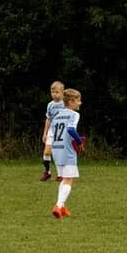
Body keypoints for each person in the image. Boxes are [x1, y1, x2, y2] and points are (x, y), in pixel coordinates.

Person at [49, 88, 85, 219]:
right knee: (69, 179)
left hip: (56, 149)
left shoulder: (57, 115)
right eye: (78, 100)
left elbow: (53, 133)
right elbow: (70, 130)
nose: (80, 103)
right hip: (67, 150)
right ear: (71, 101)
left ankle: (62, 207)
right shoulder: (74, 114)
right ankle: (58, 206)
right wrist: (79, 141)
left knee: (64, 178)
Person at [40, 81, 65, 182]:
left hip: (62, 131)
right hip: (52, 131)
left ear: (62, 92)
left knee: (58, 153)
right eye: (52, 92)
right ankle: (47, 172)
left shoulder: (66, 103)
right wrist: (45, 133)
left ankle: (60, 175)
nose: (54, 94)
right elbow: (48, 119)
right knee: (47, 152)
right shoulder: (50, 105)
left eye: (57, 92)